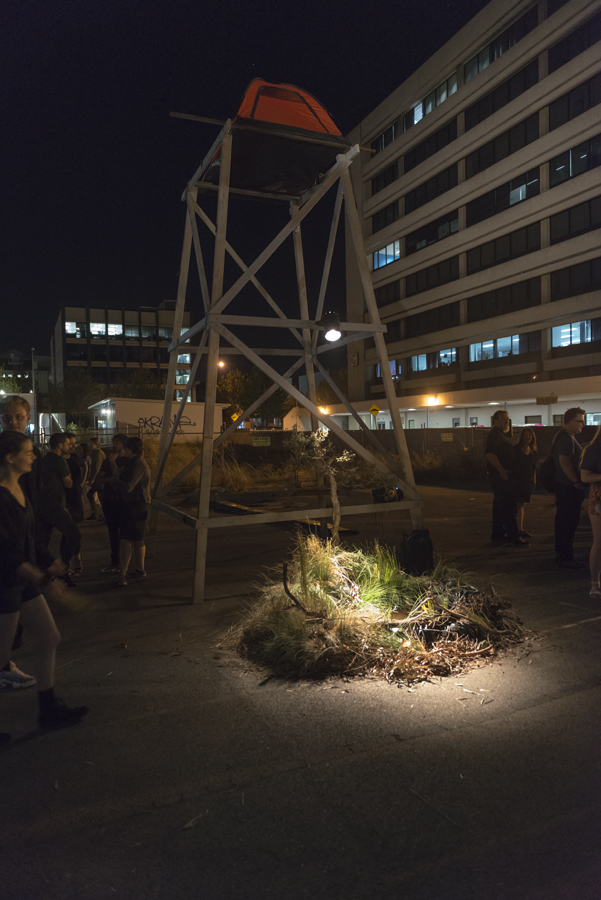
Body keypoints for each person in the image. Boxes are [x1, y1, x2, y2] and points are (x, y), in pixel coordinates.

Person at [0, 431, 88, 742]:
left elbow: (29, 541)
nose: (33, 456)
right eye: (27, 452)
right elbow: (8, 554)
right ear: (10, 458)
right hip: (5, 584)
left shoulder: (21, 487)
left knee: (50, 636)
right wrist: (44, 578)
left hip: (21, 581)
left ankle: (48, 709)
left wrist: (51, 561)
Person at [0, 395, 41, 689]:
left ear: (28, 418)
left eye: (18, 417)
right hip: (10, 560)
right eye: (7, 418)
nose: (13, 422)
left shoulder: (29, 457)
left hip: (23, 547)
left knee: (47, 635)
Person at [37, 433, 82, 577]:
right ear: (60, 445)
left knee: (43, 540)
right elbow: (68, 484)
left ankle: (41, 571)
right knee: (74, 534)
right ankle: (64, 566)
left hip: (41, 505)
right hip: (56, 505)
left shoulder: (43, 460)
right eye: (68, 443)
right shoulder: (60, 461)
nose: (70, 446)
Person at [484, 409, 527, 546]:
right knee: (508, 506)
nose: (507, 421)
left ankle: (498, 534)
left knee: (499, 506)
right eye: (504, 419)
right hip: (501, 478)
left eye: (508, 419)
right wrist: (502, 470)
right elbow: (490, 454)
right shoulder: (495, 435)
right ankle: (513, 536)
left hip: (500, 477)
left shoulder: (499, 435)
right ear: (495, 421)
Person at [113, 437, 151, 587]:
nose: (123, 450)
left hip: (135, 505)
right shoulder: (135, 462)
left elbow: (129, 486)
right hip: (137, 504)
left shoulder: (138, 463)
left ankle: (123, 574)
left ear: (130, 449)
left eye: (125, 448)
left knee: (125, 540)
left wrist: (115, 481)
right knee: (137, 539)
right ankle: (140, 569)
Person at [553, 407, 587, 568]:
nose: (583, 424)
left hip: (564, 487)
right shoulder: (566, 438)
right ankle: (566, 557)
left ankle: (564, 554)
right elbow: (564, 462)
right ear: (568, 421)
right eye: (579, 421)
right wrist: (577, 482)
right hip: (568, 488)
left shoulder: (565, 436)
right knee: (568, 522)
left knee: (564, 522)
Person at [95, 433, 128, 573]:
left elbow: (121, 478)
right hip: (109, 500)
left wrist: (113, 463)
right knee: (112, 532)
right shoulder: (106, 461)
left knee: (123, 533)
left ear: (124, 445)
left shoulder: (126, 460)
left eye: (118, 443)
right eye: (114, 442)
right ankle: (114, 562)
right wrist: (111, 479)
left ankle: (123, 564)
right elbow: (99, 479)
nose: (114, 445)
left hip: (122, 501)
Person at [579, 426, 601, 598]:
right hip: (599, 497)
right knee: (598, 541)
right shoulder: (593, 450)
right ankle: (595, 584)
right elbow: (585, 476)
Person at [514, 427, 537, 538]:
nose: (528, 437)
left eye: (530, 435)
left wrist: (534, 480)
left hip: (527, 482)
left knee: (521, 505)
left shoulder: (532, 451)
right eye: (526, 435)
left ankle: (520, 529)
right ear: (522, 437)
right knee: (517, 505)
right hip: (518, 481)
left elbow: (533, 467)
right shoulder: (517, 449)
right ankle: (515, 530)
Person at [86, 437, 105, 520]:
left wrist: (92, 479)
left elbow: (97, 467)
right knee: (92, 495)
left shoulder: (98, 453)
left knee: (99, 497)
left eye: (91, 444)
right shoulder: (95, 453)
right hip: (98, 480)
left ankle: (101, 514)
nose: (89, 445)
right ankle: (97, 513)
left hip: (99, 480)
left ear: (96, 444)